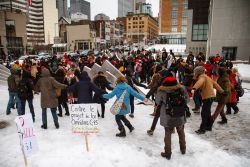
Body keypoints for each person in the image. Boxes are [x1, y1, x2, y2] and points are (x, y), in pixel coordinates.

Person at [155, 76, 188, 160]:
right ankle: (183, 149)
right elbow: (187, 100)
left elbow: (157, 101)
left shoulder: (162, 91)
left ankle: (168, 153)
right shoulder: (182, 89)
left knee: (168, 134)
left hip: (167, 116)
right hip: (180, 114)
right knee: (181, 131)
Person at [192, 66, 225, 134]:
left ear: (198, 72)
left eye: (195, 72)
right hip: (211, 96)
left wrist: (194, 88)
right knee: (207, 112)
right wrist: (222, 91)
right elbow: (215, 84)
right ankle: (209, 126)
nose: (194, 73)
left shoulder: (202, 77)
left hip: (208, 97)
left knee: (204, 113)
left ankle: (202, 129)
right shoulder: (207, 77)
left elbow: (200, 82)